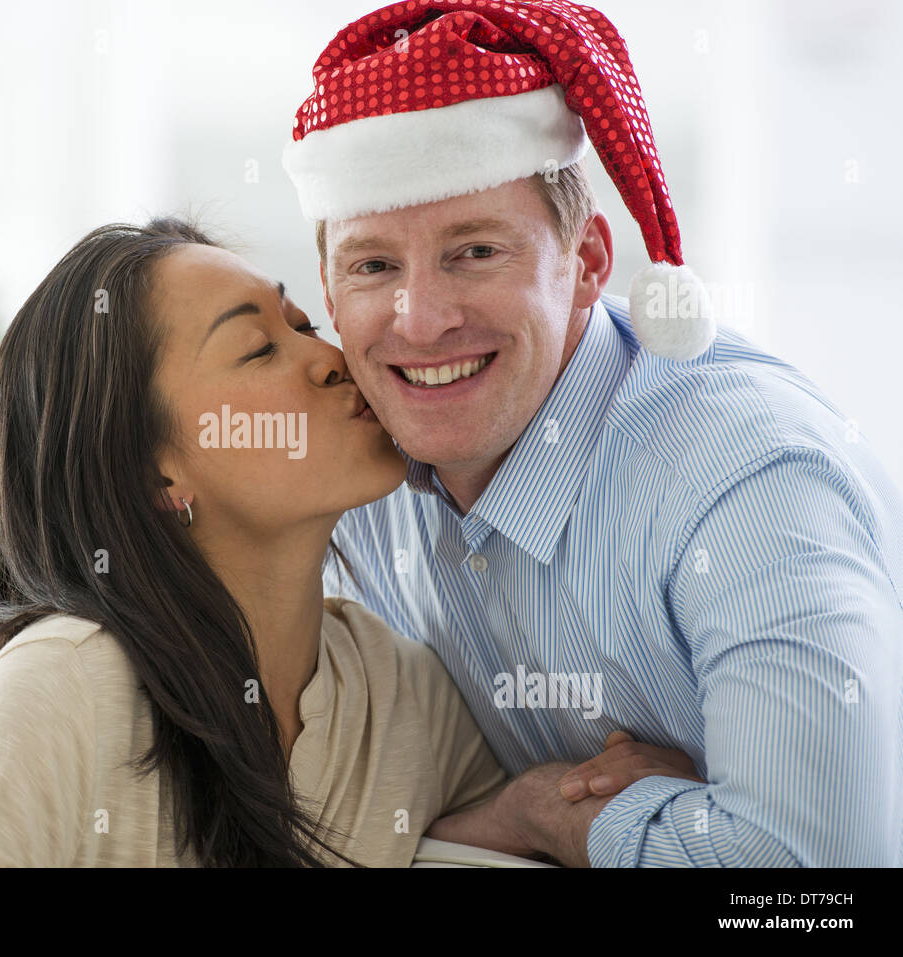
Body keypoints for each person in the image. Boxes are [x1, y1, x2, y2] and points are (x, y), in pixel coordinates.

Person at [279, 0, 903, 866]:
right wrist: (522, 816)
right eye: (374, 265)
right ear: (328, 285)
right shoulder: (346, 478)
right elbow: (269, 809)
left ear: (590, 263)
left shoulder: (751, 479)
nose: (417, 322)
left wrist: (581, 826)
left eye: (475, 252)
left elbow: (814, 883)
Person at [0, 217, 701, 867]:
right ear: (156, 476)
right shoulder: (68, 684)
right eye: (257, 349)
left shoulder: (400, 696)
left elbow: (450, 841)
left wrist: (530, 810)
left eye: (301, 323)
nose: (327, 357)